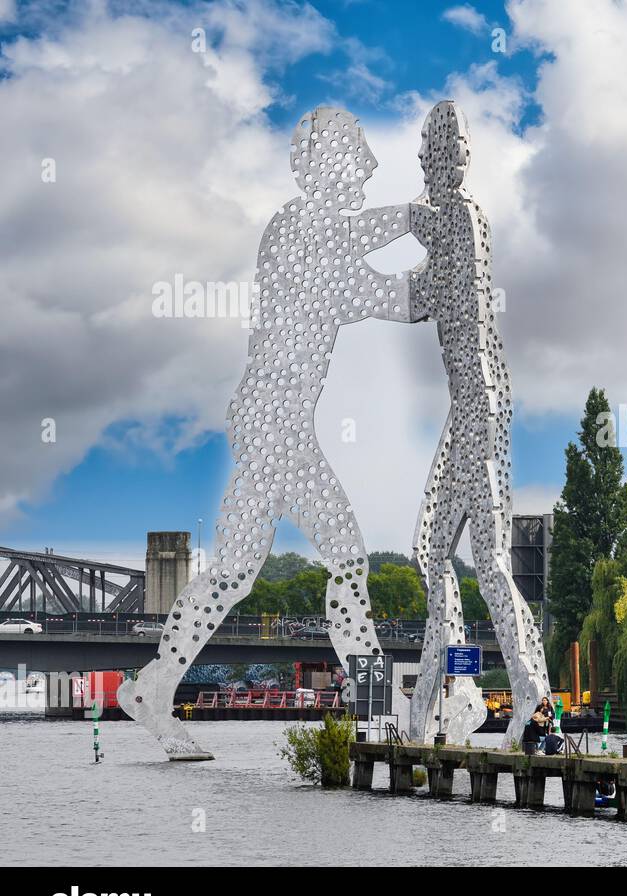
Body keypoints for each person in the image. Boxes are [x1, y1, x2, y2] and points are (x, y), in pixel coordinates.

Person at [119, 108, 414, 760]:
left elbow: (401, 300)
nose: (367, 167)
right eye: (357, 155)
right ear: (324, 164)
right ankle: (378, 716)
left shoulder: (329, 265)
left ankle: (155, 685)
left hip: (273, 423)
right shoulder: (297, 230)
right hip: (272, 422)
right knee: (343, 560)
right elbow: (357, 247)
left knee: (234, 573)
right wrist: (421, 216)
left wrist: (448, 259)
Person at [406, 101, 551, 746]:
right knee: (434, 552)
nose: (433, 168)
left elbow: (449, 300)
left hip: (479, 405)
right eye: (432, 158)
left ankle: (524, 694)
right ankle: (445, 702)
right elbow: (420, 299)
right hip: (469, 408)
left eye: (438, 156)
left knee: (485, 560)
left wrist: (415, 229)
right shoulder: (452, 224)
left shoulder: (462, 218)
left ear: (449, 161)